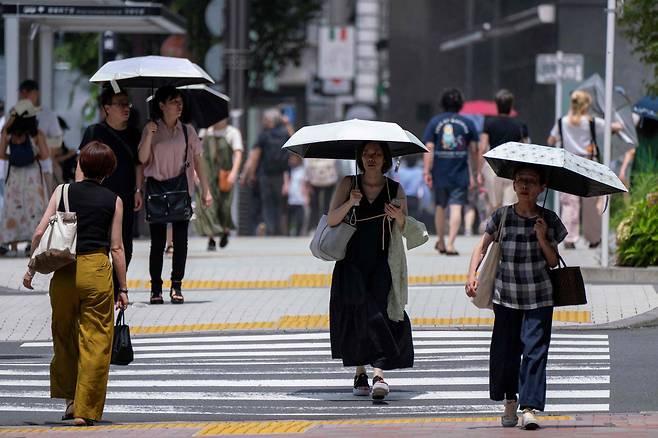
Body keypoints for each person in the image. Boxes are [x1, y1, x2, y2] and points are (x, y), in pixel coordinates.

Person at [22, 141, 129, 426]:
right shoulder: (114, 200)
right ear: (108, 171)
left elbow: (39, 231)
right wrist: (124, 289)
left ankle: (70, 399)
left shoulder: (63, 192)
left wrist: (31, 268)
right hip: (96, 269)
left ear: (81, 164)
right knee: (95, 341)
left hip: (65, 271)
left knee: (64, 334)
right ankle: (85, 410)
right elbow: (117, 248)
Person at [466, 165, 567, 430]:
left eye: (531, 182)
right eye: (520, 181)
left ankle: (529, 407)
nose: (525, 186)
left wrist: (542, 237)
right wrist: (471, 273)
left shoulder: (549, 219)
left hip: (539, 297)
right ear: (513, 185)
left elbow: (554, 262)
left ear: (541, 187)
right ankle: (510, 399)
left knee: (535, 353)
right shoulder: (501, 216)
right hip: (506, 298)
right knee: (506, 354)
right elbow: (482, 245)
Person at [327, 141, 416, 401]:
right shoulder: (348, 184)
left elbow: (405, 226)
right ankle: (359, 371)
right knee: (356, 315)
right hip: (351, 263)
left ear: (386, 158)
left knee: (381, 315)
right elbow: (331, 219)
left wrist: (398, 216)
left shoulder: (395, 189)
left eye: (377, 154)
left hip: (382, 262)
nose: (371, 158)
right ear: (360, 158)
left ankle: (379, 374)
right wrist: (350, 203)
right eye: (366, 154)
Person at [138, 86, 212, 304]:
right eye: (173, 102)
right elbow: (142, 159)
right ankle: (156, 289)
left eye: (180, 102)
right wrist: (149, 135)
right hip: (157, 190)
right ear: (161, 105)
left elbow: (199, 162)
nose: (179, 106)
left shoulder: (188, 131)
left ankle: (176, 286)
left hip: (181, 190)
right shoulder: (151, 129)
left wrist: (206, 191)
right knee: (158, 243)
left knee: (181, 242)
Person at [77, 86, 143, 298]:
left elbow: (138, 165)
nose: (126, 108)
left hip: (124, 197)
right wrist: (79, 189)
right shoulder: (94, 132)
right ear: (107, 108)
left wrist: (138, 190)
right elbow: (82, 162)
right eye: (120, 104)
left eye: (128, 103)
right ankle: (103, 291)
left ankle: (114, 288)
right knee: (100, 246)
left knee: (126, 246)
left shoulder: (134, 133)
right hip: (97, 197)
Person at [547, 90, 622, 249]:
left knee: (568, 203)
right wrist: (613, 120)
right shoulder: (592, 122)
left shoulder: (563, 121)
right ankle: (594, 238)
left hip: (568, 164)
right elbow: (617, 127)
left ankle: (569, 238)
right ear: (585, 105)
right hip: (588, 162)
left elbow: (551, 139)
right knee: (589, 202)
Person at [422, 88, 478, 255]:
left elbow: (429, 147)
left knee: (440, 206)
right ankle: (451, 244)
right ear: (460, 104)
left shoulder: (434, 122)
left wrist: (427, 170)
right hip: (460, 172)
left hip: (440, 172)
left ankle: (440, 241)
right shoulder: (468, 123)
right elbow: (474, 150)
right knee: (456, 207)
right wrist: (475, 172)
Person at [0, 99, 49, 257]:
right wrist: (31, 156)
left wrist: (12, 157)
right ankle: (31, 245)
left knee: (13, 209)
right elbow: (44, 155)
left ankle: (13, 248)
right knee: (34, 208)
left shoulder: (8, 134)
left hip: (14, 176)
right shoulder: (36, 133)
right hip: (32, 176)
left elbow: (1, 155)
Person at [478, 89, 529, 215]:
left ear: (496, 105)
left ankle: (495, 232)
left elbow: (483, 147)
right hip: (513, 167)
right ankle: (506, 232)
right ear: (511, 106)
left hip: (493, 166)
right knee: (510, 204)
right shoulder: (520, 125)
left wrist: (479, 171)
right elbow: (526, 148)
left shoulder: (489, 123)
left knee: (494, 204)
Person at [241, 108, 292, 235]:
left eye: (265, 120)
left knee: (267, 203)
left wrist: (251, 174)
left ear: (270, 121)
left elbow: (255, 156)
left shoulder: (263, 136)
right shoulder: (284, 133)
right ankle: (278, 230)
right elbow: (295, 140)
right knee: (279, 204)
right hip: (280, 174)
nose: (263, 122)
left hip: (265, 174)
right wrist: (287, 124)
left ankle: (270, 230)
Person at [195, 118, 244, 250]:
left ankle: (225, 231)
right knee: (209, 207)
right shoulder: (205, 132)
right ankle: (211, 239)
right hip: (208, 175)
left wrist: (234, 172)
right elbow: (198, 153)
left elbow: (238, 154)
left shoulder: (232, 133)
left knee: (224, 207)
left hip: (225, 175)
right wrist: (195, 171)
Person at [19, 79, 63, 193]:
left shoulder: (48, 114)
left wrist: (41, 142)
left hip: (42, 167)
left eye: (27, 92)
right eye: (22, 92)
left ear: (35, 93)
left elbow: (58, 141)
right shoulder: (15, 113)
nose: (24, 96)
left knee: (43, 204)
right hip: (19, 168)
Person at [305, 157, 339, 230]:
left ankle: (325, 224)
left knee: (326, 203)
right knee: (314, 204)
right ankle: (316, 224)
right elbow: (307, 166)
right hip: (315, 180)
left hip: (329, 180)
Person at [283, 154, 309, 236]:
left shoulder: (302, 170)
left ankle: (298, 232)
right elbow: (286, 183)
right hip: (290, 198)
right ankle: (288, 232)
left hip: (300, 199)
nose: (292, 161)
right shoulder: (289, 171)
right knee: (290, 217)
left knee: (300, 218)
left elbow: (305, 184)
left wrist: (306, 195)